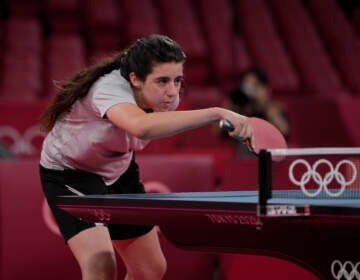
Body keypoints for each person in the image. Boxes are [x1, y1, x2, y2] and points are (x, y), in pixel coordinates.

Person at [38, 34, 254, 280]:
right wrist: (216, 112)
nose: (172, 92)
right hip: (71, 173)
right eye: (162, 81)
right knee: (101, 266)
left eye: (177, 80)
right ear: (135, 79)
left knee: (150, 269)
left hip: (117, 167)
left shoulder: (164, 99)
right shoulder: (108, 89)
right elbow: (140, 126)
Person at [225, 67, 290, 156]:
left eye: (255, 85)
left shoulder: (274, 108)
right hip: (245, 159)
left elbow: (285, 131)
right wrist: (229, 107)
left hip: (270, 157)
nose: (251, 90)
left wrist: (264, 104)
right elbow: (217, 131)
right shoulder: (240, 109)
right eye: (247, 86)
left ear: (266, 89)